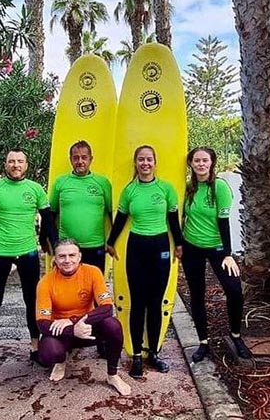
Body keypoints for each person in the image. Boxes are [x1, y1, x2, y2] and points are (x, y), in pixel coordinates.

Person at [0, 148, 58, 377]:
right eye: (11, 161)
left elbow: (48, 220)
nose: (15, 165)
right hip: (0, 252)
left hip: (27, 252)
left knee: (32, 301)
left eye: (19, 161)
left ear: (26, 165)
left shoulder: (35, 189)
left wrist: (56, 250)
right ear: (5, 164)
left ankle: (35, 348)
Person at [105, 145, 183, 377]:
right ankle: (137, 356)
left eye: (149, 159)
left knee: (156, 302)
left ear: (154, 162)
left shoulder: (166, 188)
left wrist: (179, 244)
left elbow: (173, 220)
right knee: (138, 303)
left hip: (160, 247)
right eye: (141, 160)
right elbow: (120, 219)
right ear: (136, 163)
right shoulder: (130, 191)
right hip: (136, 247)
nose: (145, 163)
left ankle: (154, 354)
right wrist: (111, 242)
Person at [180, 147, 251, 362]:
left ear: (212, 163)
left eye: (205, 160)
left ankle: (236, 336)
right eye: (196, 161)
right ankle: (203, 342)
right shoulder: (188, 188)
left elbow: (223, 221)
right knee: (197, 294)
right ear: (191, 164)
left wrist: (228, 253)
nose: (201, 164)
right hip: (191, 247)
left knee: (234, 290)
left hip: (218, 248)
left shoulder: (219, 187)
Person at [36, 239, 131, 396]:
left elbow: (107, 308)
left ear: (80, 256)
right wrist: (72, 329)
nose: (67, 260)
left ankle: (112, 375)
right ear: (55, 259)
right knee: (48, 353)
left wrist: (74, 321)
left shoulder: (92, 272)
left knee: (113, 326)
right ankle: (60, 361)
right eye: (62, 256)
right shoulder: (45, 282)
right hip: (62, 332)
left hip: (87, 328)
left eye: (72, 255)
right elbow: (42, 323)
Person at [48, 140, 113, 273]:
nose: (80, 161)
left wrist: (112, 242)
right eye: (76, 157)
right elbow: (50, 216)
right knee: (67, 290)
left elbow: (112, 214)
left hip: (95, 246)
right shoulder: (60, 182)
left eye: (84, 157)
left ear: (91, 159)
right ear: (70, 159)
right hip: (67, 249)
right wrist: (55, 244)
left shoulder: (102, 182)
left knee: (94, 290)